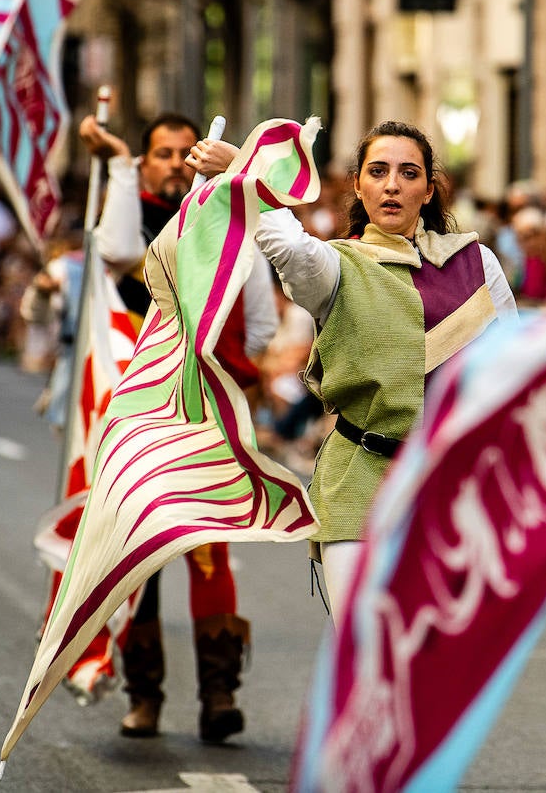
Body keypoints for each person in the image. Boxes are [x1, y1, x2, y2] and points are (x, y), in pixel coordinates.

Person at [193, 119, 518, 623]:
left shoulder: (478, 264)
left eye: (409, 173)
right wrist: (244, 169)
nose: (393, 184)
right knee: (363, 657)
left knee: (431, 669)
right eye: (379, 171)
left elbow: (514, 373)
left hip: (451, 488)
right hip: (359, 480)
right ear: (358, 185)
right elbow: (288, 246)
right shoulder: (334, 266)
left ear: (428, 190)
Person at [80, 111, 276, 743]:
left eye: (184, 152)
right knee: (137, 560)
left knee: (208, 552)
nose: (173, 163)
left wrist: (230, 382)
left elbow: (261, 319)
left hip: (205, 417)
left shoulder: (230, 218)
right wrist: (113, 167)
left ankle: (219, 694)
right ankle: (144, 697)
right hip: (136, 422)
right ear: (145, 163)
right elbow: (115, 253)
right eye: (160, 154)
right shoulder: (125, 216)